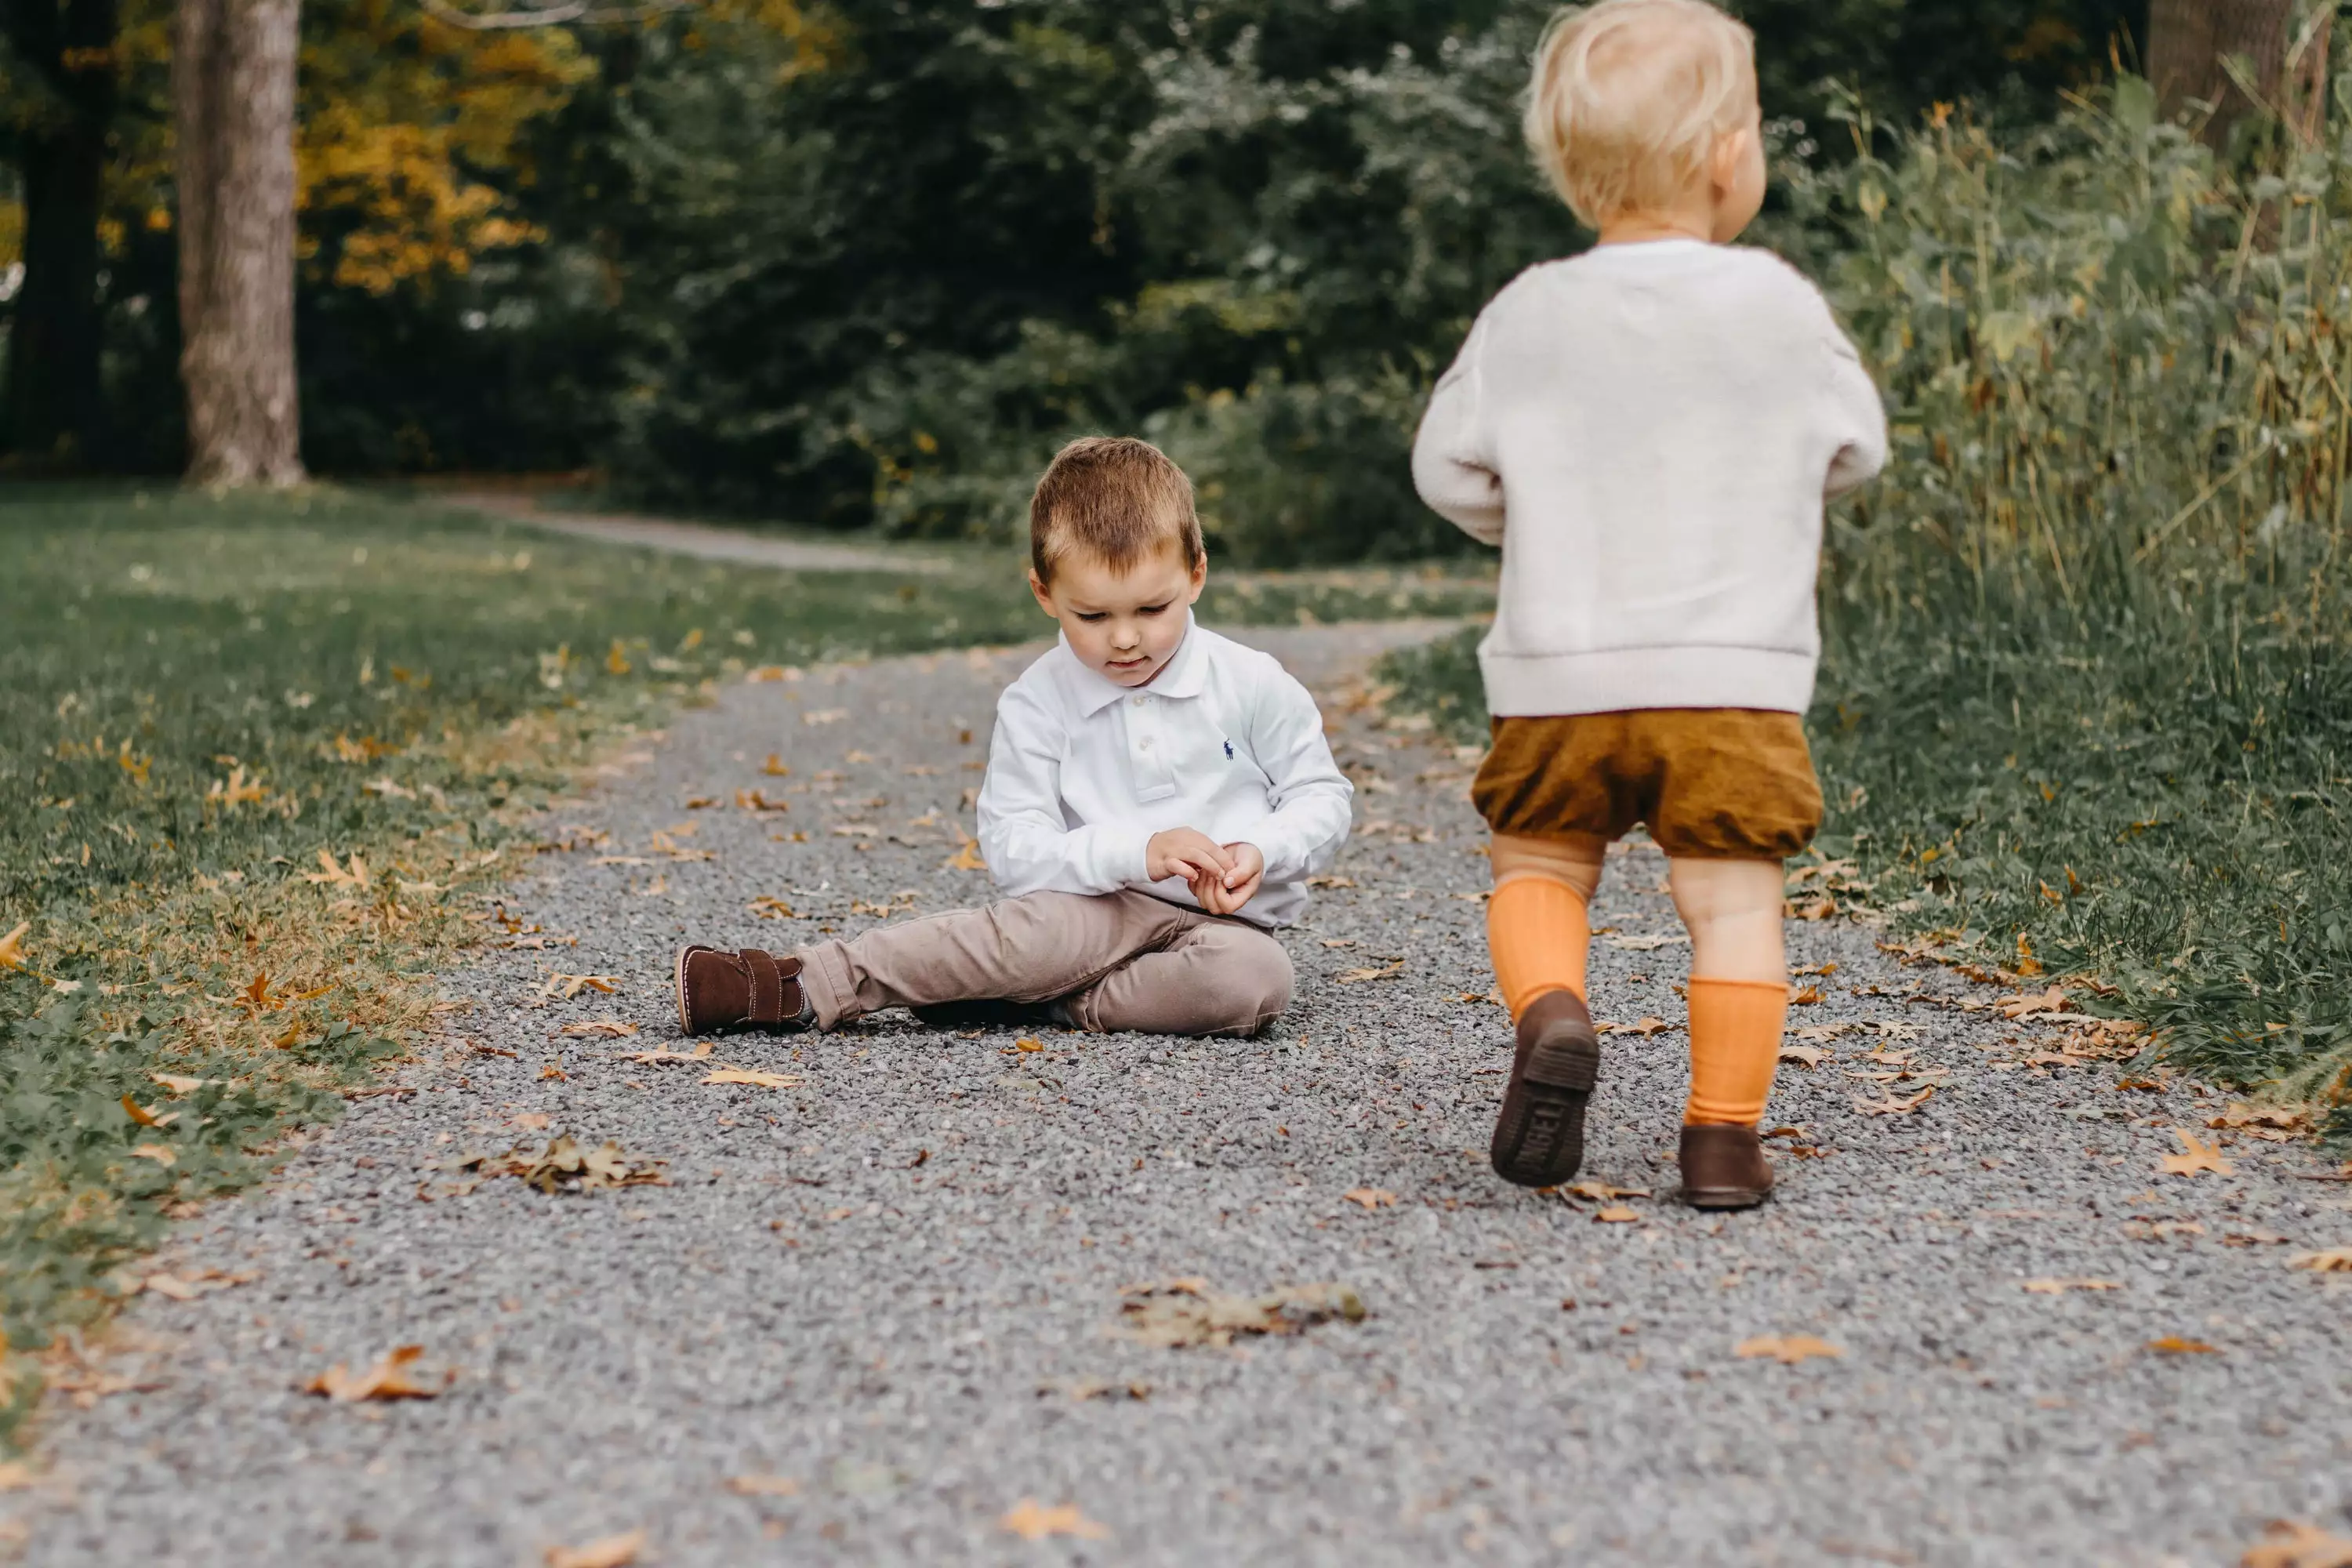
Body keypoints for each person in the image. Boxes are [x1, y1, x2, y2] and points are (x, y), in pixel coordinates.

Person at [1412, 0, 1887, 1208]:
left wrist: (1542, 524)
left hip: (1560, 680)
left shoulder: (1527, 309)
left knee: (1538, 864)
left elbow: (1444, 468)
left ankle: (1556, 1011)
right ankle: (1723, 1140)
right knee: (1732, 903)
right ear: (1733, 155)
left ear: (1574, 174)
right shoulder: (1779, 305)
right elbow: (1857, 451)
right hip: (1733, 686)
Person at [674, 436, 1353, 1042]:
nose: (1125, 638)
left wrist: (1262, 850)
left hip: (1226, 926)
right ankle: (803, 983)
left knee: (1254, 983)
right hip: (1092, 903)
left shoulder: (1252, 681)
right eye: (1093, 614)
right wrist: (1136, 852)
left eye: (1152, 609)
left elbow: (1321, 797)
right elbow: (1015, 851)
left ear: (1196, 575)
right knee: (1017, 941)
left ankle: (1042, 1007)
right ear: (1044, 593)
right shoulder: (1039, 700)